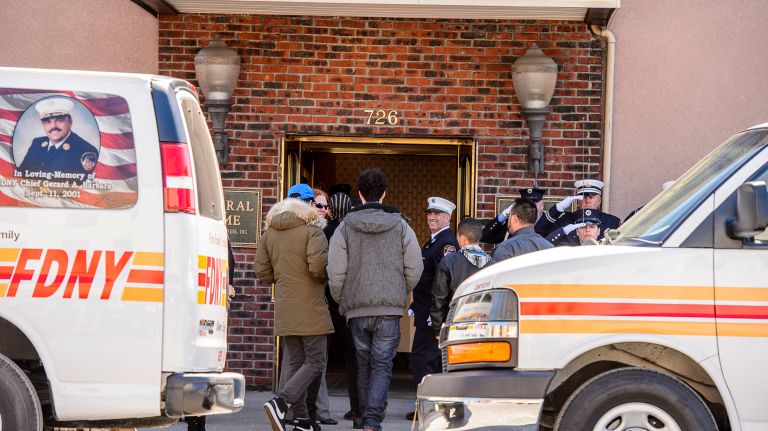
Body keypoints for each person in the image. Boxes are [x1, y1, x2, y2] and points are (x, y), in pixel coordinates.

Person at [328, 168, 423, 431]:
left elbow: (335, 270)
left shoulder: (345, 226)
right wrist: (399, 292)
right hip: (388, 308)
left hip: (356, 307)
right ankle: (372, 419)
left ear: (359, 194)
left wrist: (342, 299)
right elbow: (415, 267)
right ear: (384, 193)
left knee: (362, 364)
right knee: (382, 364)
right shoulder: (401, 225)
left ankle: (362, 417)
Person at [258, 183, 334, 431]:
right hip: (311, 305)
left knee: (295, 362)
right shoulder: (313, 231)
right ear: (309, 204)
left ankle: (302, 420)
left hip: (285, 305)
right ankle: (281, 402)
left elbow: (262, 271)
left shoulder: (270, 232)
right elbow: (317, 268)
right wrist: (324, 277)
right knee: (316, 359)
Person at [407, 196, 459, 420]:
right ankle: (430, 408)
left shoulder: (446, 243)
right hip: (425, 310)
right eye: (429, 213)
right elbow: (426, 279)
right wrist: (415, 304)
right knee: (427, 360)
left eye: (437, 214)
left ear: (448, 217)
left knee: (424, 360)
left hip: (432, 315)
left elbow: (443, 282)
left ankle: (429, 410)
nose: (431, 217)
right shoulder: (433, 241)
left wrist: (432, 313)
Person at [324, 192, 362, 423]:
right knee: (355, 357)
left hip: (330, 299)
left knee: (319, 356)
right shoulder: (353, 231)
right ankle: (358, 407)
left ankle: (314, 408)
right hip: (350, 300)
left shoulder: (327, 230)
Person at [430, 218, 491, 336]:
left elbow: (439, 298)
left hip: (455, 326)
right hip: (484, 327)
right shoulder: (493, 263)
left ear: (462, 238)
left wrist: (438, 329)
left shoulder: (449, 261)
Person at [18, 97, 99, 178]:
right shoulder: (37, 143)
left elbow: (82, 186)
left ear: (70, 121)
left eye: (60, 120)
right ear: (43, 124)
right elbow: (20, 175)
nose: (53, 126)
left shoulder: (85, 150)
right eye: (47, 121)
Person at [534, 179, 620, 243]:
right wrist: (558, 208)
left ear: (600, 200)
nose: (588, 201)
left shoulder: (612, 222)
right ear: (578, 200)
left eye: (592, 197)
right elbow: (538, 231)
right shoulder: (565, 220)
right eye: (584, 197)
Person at [488, 199, 553, 265]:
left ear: (514, 219)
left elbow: (496, 274)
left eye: (509, 216)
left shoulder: (506, 248)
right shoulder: (549, 246)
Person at [481, 187, 546, 244]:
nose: (530, 207)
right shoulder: (513, 222)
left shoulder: (550, 222)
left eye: (534, 203)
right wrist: (503, 215)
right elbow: (484, 237)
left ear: (542, 206)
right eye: (526, 204)